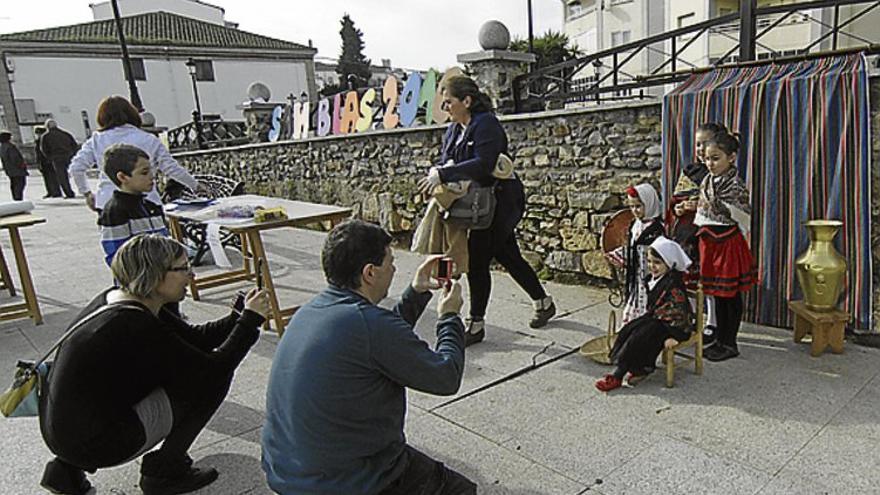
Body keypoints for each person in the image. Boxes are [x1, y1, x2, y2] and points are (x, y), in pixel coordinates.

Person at [39, 234, 270, 495]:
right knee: (212, 384)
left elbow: (193, 339)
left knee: (190, 373)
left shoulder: (119, 298)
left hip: (62, 433)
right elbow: (213, 371)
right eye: (183, 268)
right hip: (95, 444)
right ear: (155, 273)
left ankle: (65, 471)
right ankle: (164, 472)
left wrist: (237, 318)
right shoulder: (133, 324)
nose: (191, 275)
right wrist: (250, 322)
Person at [262, 219, 476, 495]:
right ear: (370, 273)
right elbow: (445, 377)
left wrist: (417, 292)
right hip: (345, 482)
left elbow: (380, 340)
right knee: (460, 490)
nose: (395, 268)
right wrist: (449, 317)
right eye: (390, 262)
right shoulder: (367, 324)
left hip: (288, 471)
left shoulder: (314, 309)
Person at [417, 75, 555, 346]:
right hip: (476, 204)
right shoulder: (454, 129)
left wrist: (444, 173)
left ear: (466, 101)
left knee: (478, 260)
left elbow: (484, 163)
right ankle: (544, 302)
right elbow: (447, 160)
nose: (445, 108)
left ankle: (476, 324)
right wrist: (441, 171)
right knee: (508, 255)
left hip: (501, 202)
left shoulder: (486, 124)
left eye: (449, 102)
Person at [68, 95, 198, 213]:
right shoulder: (148, 139)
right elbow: (171, 168)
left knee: (115, 238)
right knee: (151, 238)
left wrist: (87, 193)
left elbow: (76, 168)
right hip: (147, 202)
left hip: (109, 202)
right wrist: (195, 185)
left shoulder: (96, 140)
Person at [596, 236, 694, 392]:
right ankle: (640, 368)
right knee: (630, 329)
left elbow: (680, 312)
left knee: (641, 336)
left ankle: (618, 375)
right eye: (649, 262)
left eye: (657, 263)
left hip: (675, 326)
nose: (652, 266)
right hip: (659, 319)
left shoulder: (673, 283)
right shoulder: (655, 279)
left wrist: (674, 335)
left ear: (669, 263)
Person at [694, 131, 755, 362]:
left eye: (716, 158)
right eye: (708, 159)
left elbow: (742, 215)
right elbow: (703, 210)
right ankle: (720, 338)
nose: (710, 164)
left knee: (730, 295)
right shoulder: (708, 181)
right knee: (718, 294)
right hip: (710, 243)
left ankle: (730, 342)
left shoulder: (735, 185)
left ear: (731, 157)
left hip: (727, 243)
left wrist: (716, 207)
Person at [668, 122, 727, 346]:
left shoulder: (719, 173)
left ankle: (712, 321)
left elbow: (722, 204)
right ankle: (691, 316)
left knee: (708, 281)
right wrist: (678, 208)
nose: (701, 149)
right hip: (685, 233)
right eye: (698, 144)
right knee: (685, 278)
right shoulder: (690, 171)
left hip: (709, 235)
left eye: (706, 144)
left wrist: (698, 205)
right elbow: (677, 198)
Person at [98, 143, 169, 267]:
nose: (152, 176)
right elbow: (117, 257)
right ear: (122, 177)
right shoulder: (115, 212)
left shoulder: (152, 206)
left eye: (151, 170)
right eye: (144, 172)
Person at [606, 184, 665, 326]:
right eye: (632, 207)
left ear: (649, 204)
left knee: (647, 307)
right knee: (633, 305)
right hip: (636, 277)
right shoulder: (635, 224)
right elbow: (632, 247)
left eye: (638, 206)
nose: (635, 211)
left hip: (649, 275)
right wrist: (619, 255)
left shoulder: (656, 229)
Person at [39, 119, 78, 199]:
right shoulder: (65, 134)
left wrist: (50, 157)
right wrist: (72, 154)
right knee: (74, 173)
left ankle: (68, 192)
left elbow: (43, 149)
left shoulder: (46, 136)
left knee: (62, 176)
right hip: (68, 156)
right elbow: (74, 145)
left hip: (57, 158)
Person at [34, 125, 62, 198]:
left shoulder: (46, 140)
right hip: (42, 162)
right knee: (47, 178)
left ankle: (56, 191)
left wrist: (48, 158)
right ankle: (50, 191)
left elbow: (45, 150)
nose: (37, 135)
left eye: (38, 133)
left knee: (52, 177)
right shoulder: (38, 141)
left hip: (48, 161)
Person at [0, 130, 28, 201]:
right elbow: (15, 158)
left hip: (10, 170)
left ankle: (16, 198)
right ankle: (18, 198)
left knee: (14, 184)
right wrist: (22, 165)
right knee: (20, 184)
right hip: (17, 169)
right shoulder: (10, 146)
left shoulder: (2, 147)